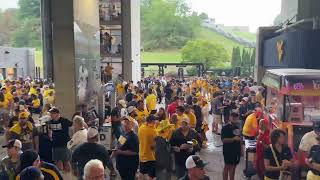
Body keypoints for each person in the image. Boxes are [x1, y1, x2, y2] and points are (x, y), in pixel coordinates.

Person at [47, 107, 72, 172]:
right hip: (55, 144)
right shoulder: (50, 122)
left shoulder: (64, 120)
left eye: (52, 113)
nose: (51, 115)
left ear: (57, 114)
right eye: (50, 113)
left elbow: (72, 125)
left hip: (64, 144)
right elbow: (49, 130)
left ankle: (68, 176)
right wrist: (50, 137)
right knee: (57, 161)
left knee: (66, 161)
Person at [221, 112, 242, 180]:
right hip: (228, 150)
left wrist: (241, 149)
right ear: (230, 118)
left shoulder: (238, 127)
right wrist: (233, 139)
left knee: (234, 166)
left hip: (236, 150)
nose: (235, 120)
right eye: (233, 118)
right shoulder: (225, 128)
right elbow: (223, 140)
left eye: (236, 118)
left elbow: (240, 138)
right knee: (227, 166)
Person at [138, 114, 158, 180]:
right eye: (155, 120)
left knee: (142, 172)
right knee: (152, 176)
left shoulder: (141, 127)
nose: (156, 121)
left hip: (142, 154)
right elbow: (155, 145)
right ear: (152, 121)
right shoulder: (153, 131)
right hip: (151, 157)